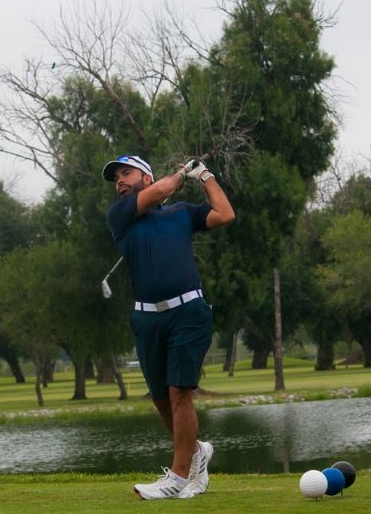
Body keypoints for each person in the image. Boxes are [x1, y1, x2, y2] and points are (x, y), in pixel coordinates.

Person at [103, 154, 235, 499]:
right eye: (116, 177)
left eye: (125, 173)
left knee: (179, 392)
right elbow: (164, 187)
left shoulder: (181, 214)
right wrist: (182, 171)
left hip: (188, 311)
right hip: (146, 317)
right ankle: (197, 453)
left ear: (144, 177)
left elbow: (225, 213)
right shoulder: (121, 215)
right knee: (161, 398)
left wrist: (204, 175)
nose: (119, 180)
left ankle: (177, 478)